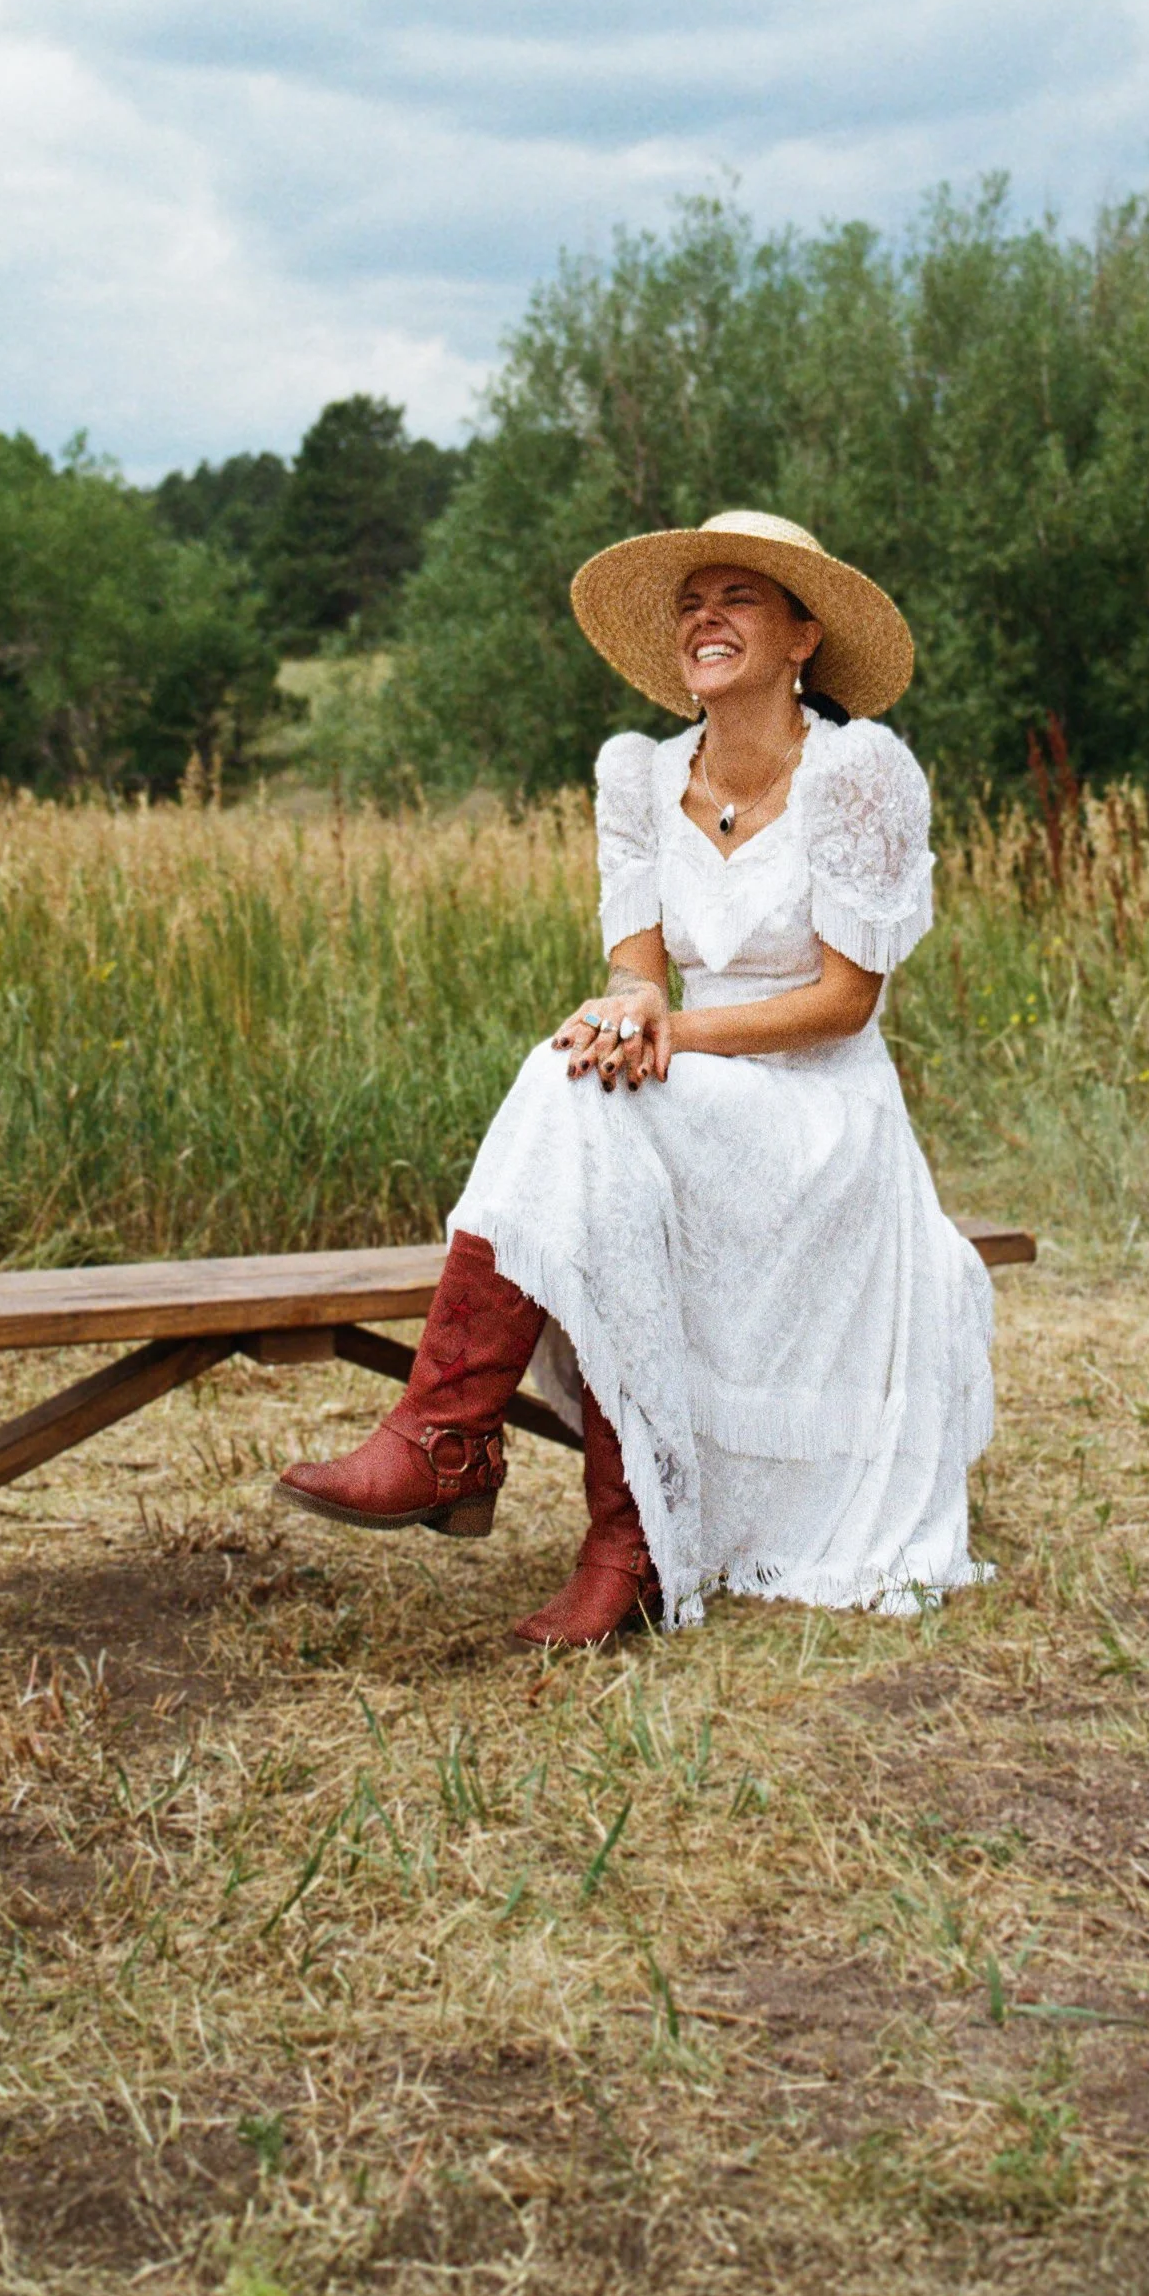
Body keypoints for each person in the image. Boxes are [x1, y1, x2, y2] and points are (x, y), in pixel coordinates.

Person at [277, 509, 995, 1645]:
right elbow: (633, 969)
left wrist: (669, 1039)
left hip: (819, 1108)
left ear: (803, 636)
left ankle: (458, 1441)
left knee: (580, 1089)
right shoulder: (636, 775)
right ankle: (604, 1530)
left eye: (739, 598)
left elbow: (843, 1003)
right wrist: (634, 1007)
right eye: (689, 602)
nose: (705, 617)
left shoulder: (857, 773)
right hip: (678, 1093)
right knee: (579, 1076)